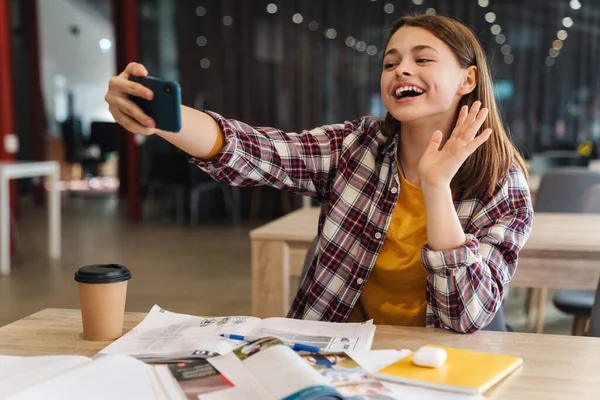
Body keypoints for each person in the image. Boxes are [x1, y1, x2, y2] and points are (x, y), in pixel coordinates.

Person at [104, 14, 534, 333]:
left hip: (436, 364)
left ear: (468, 79)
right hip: (335, 353)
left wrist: (437, 186)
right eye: (390, 63)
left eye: (422, 59)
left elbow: (467, 317)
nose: (401, 70)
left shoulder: (502, 182)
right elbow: (257, 150)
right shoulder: (355, 147)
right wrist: (165, 117)